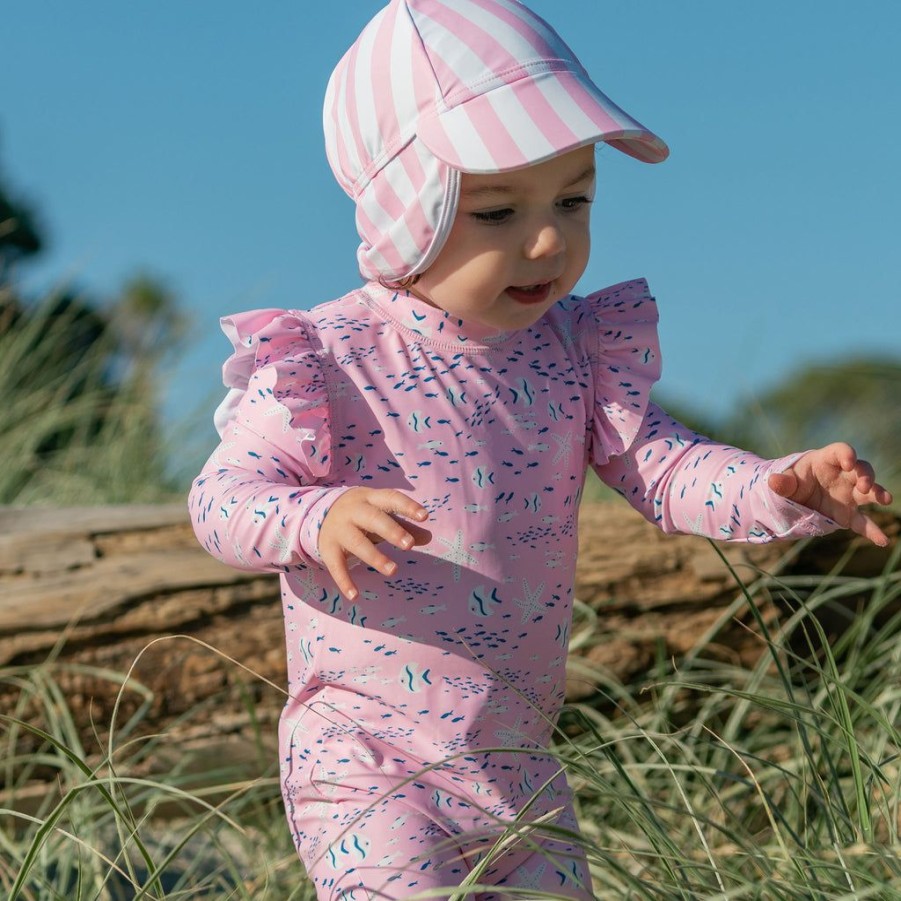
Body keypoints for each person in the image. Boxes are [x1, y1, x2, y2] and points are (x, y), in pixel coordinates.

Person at [188, 1, 893, 897]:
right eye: (494, 211)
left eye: (573, 198)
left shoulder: (573, 350)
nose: (549, 238)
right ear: (407, 208)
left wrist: (775, 486)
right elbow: (222, 498)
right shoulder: (328, 358)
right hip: (364, 755)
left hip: (517, 759)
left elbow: (662, 466)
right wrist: (316, 512)